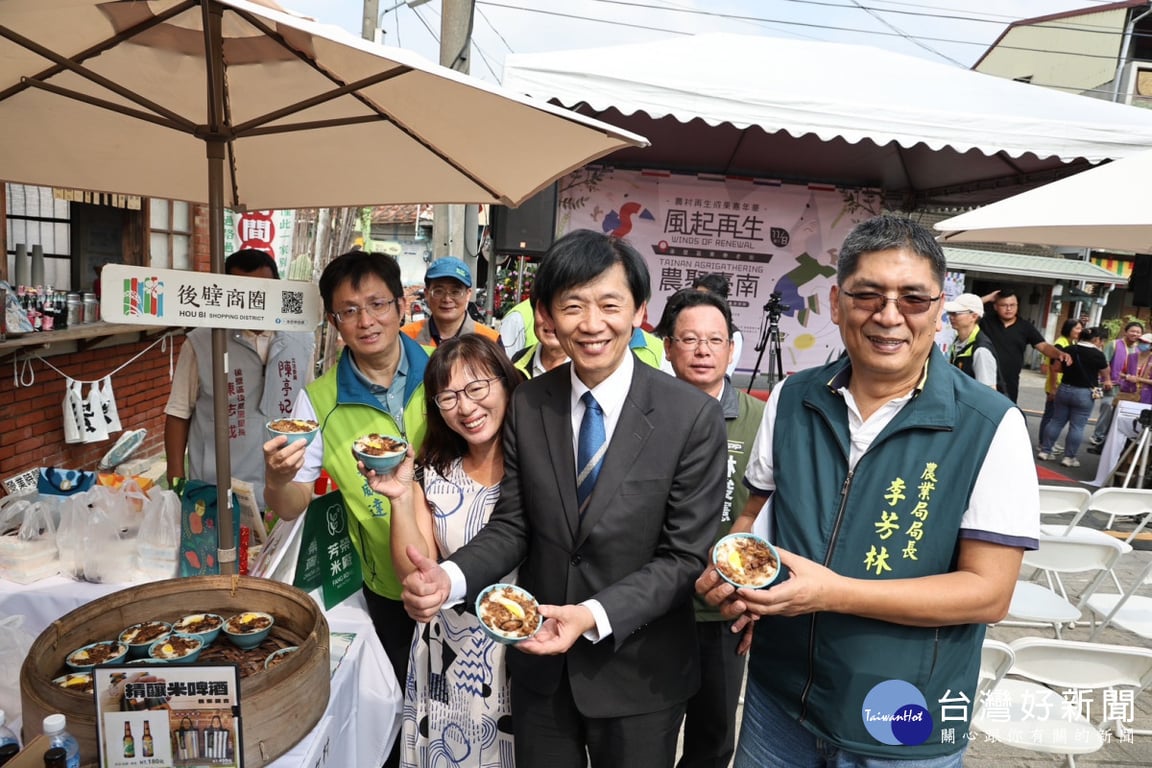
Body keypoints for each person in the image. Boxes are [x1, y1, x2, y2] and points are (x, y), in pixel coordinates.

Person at [698, 214, 1038, 766]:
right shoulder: (792, 398)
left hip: (902, 713)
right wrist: (735, 568)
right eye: (868, 295)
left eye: (913, 299)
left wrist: (833, 593)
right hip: (779, 696)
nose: (888, 316)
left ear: (939, 310)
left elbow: (989, 593)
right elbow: (757, 505)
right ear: (836, 303)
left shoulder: (990, 425)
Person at [401, 229, 728, 768]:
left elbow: (684, 557)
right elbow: (513, 526)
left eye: (609, 304)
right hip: (540, 674)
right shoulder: (530, 404)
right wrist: (450, 579)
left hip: (640, 677)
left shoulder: (690, 416)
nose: (592, 324)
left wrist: (592, 614)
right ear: (547, 318)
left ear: (640, 311)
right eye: (573, 306)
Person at [262, 249, 429, 768]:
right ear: (334, 322)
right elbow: (292, 506)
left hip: (469, 570)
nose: (366, 320)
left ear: (402, 305)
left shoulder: (447, 370)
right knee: (401, 713)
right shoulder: (319, 400)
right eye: (348, 311)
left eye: (377, 303)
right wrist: (278, 476)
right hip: (390, 589)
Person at [363, 335, 522, 768]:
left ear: (507, 383)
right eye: (448, 396)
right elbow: (416, 569)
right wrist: (399, 498)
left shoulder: (537, 465)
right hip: (447, 656)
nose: (466, 408)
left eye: (477, 388)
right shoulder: (433, 471)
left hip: (518, 656)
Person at [656, 289, 764, 768]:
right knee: (645, 734)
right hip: (655, 606)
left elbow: (776, 511)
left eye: (715, 340)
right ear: (667, 347)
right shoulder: (647, 414)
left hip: (726, 611)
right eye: (690, 339)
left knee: (713, 738)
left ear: (732, 347)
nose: (703, 351)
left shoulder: (762, 419)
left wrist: (763, 596)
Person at [164, 248, 315, 507]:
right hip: (217, 491)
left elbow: (309, 411)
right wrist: (176, 480)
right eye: (244, 291)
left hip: (286, 490)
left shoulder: (302, 340)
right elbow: (179, 413)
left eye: (263, 291)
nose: (254, 300)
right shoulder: (202, 342)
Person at [978, 288, 1070, 404]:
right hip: (983, 377)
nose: (1009, 309)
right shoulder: (985, 322)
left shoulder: (1025, 327)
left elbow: (1043, 346)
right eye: (1004, 305)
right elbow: (967, 309)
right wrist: (989, 297)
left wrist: (1059, 354)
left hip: (1009, 382)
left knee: (1005, 415)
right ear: (995, 306)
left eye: (1012, 305)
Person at [1038, 326, 1112, 468]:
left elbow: (1056, 368)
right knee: (1077, 427)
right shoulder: (1098, 354)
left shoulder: (1069, 349)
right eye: (1102, 341)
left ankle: (1045, 451)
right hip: (1084, 393)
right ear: (1096, 339)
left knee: (1056, 421)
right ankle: (1069, 457)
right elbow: (1105, 373)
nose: (1102, 344)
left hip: (1064, 389)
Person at [402, 256, 500, 347]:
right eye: (438, 291)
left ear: (468, 294)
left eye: (455, 292)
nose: (447, 299)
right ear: (427, 294)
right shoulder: (404, 338)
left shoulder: (490, 341)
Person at [1090, 320, 1145, 446]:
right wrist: (1107, 379)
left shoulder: (1139, 349)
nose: (1135, 334)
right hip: (1110, 384)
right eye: (1132, 331)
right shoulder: (1114, 344)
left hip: (1128, 387)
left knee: (1121, 412)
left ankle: (1110, 438)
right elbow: (1104, 363)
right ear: (1125, 332)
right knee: (1107, 408)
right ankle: (1098, 435)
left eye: (1138, 332)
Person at [690, 273, 744, 378]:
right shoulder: (683, 326)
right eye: (697, 295)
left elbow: (724, 373)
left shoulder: (733, 334)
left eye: (706, 296)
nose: (700, 300)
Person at [1039, 317, 1082, 448]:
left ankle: (1049, 442)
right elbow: (1053, 367)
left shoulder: (1069, 343)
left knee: (1055, 416)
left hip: (1061, 385)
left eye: (1081, 328)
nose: (1080, 331)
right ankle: (1043, 443)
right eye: (1078, 328)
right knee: (1050, 416)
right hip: (1055, 385)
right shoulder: (1060, 344)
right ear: (1069, 329)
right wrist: (1053, 388)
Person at [943, 292, 1000, 390]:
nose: (951, 317)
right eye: (950, 313)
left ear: (974, 316)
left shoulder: (981, 350)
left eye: (956, 313)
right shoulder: (959, 341)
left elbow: (988, 392)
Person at [511, 299, 569, 379]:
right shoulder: (517, 362)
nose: (550, 322)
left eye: (562, 311)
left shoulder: (588, 369)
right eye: (544, 311)